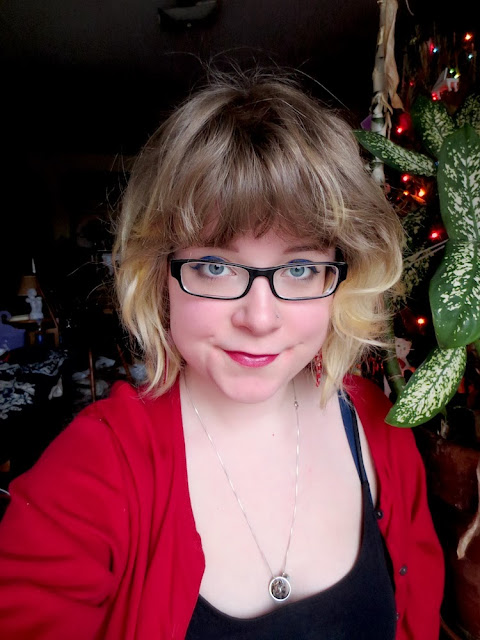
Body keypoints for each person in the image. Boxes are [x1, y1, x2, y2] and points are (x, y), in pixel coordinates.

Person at [0, 70, 444, 639]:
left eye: (300, 267)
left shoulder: (382, 432)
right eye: (215, 266)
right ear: (159, 273)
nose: (259, 319)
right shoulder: (92, 472)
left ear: (342, 277)